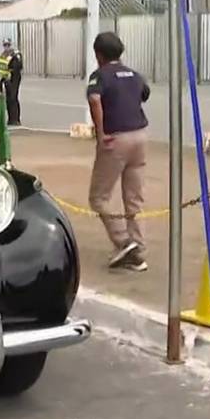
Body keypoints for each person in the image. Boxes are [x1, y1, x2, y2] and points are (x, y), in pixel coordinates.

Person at [86, 32, 150, 272]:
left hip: (117, 139)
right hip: (140, 135)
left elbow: (94, 100)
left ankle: (123, 242)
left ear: (98, 55)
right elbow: (144, 94)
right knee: (134, 198)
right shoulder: (135, 74)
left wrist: (100, 133)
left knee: (98, 198)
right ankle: (138, 249)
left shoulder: (100, 76)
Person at [0, 39, 23, 126]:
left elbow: (18, 66)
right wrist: (2, 81)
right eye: (5, 45)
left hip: (14, 78)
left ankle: (16, 119)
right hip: (6, 78)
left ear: (11, 45)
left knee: (13, 97)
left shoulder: (15, 54)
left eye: (8, 45)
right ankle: (11, 119)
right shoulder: (3, 55)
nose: (6, 47)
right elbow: (2, 68)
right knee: (8, 99)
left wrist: (12, 72)